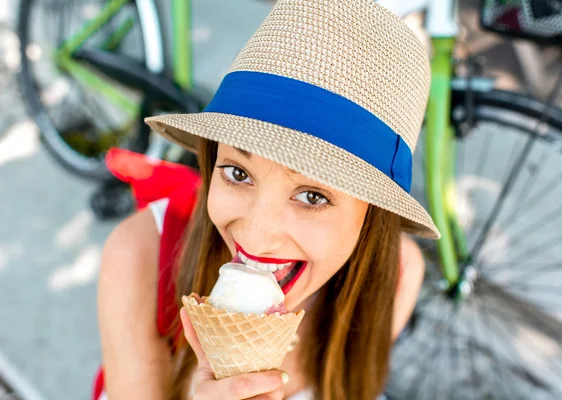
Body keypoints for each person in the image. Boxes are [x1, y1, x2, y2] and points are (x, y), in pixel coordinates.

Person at [95, 0, 441, 399]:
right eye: (237, 173)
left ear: (372, 214)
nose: (255, 241)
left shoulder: (396, 276)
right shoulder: (139, 257)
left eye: (312, 195)